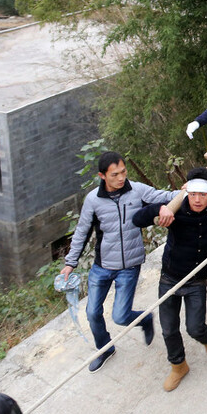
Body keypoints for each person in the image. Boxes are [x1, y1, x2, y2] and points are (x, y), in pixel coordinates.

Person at [132, 167, 207, 391]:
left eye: (202, 195)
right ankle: (178, 366)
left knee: (195, 328)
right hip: (170, 277)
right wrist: (160, 208)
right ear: (186, 192)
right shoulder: (176, 208)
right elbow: (138, 219)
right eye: (193, 194)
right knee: (169, 329)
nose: (197, 200)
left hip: (197, 279)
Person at [60, 151, 166, 372]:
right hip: (102, 266)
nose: (121, 178)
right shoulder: (93, 200)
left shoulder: (136, 190)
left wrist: (192, 189)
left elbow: (162, 196)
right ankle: (105, 348)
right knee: (92, 312)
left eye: (123, 172)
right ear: (102, 176)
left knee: (120, 316)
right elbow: (81, 232)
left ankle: (144, 319)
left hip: (129, 266)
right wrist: (70, 263)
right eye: (115, 174)